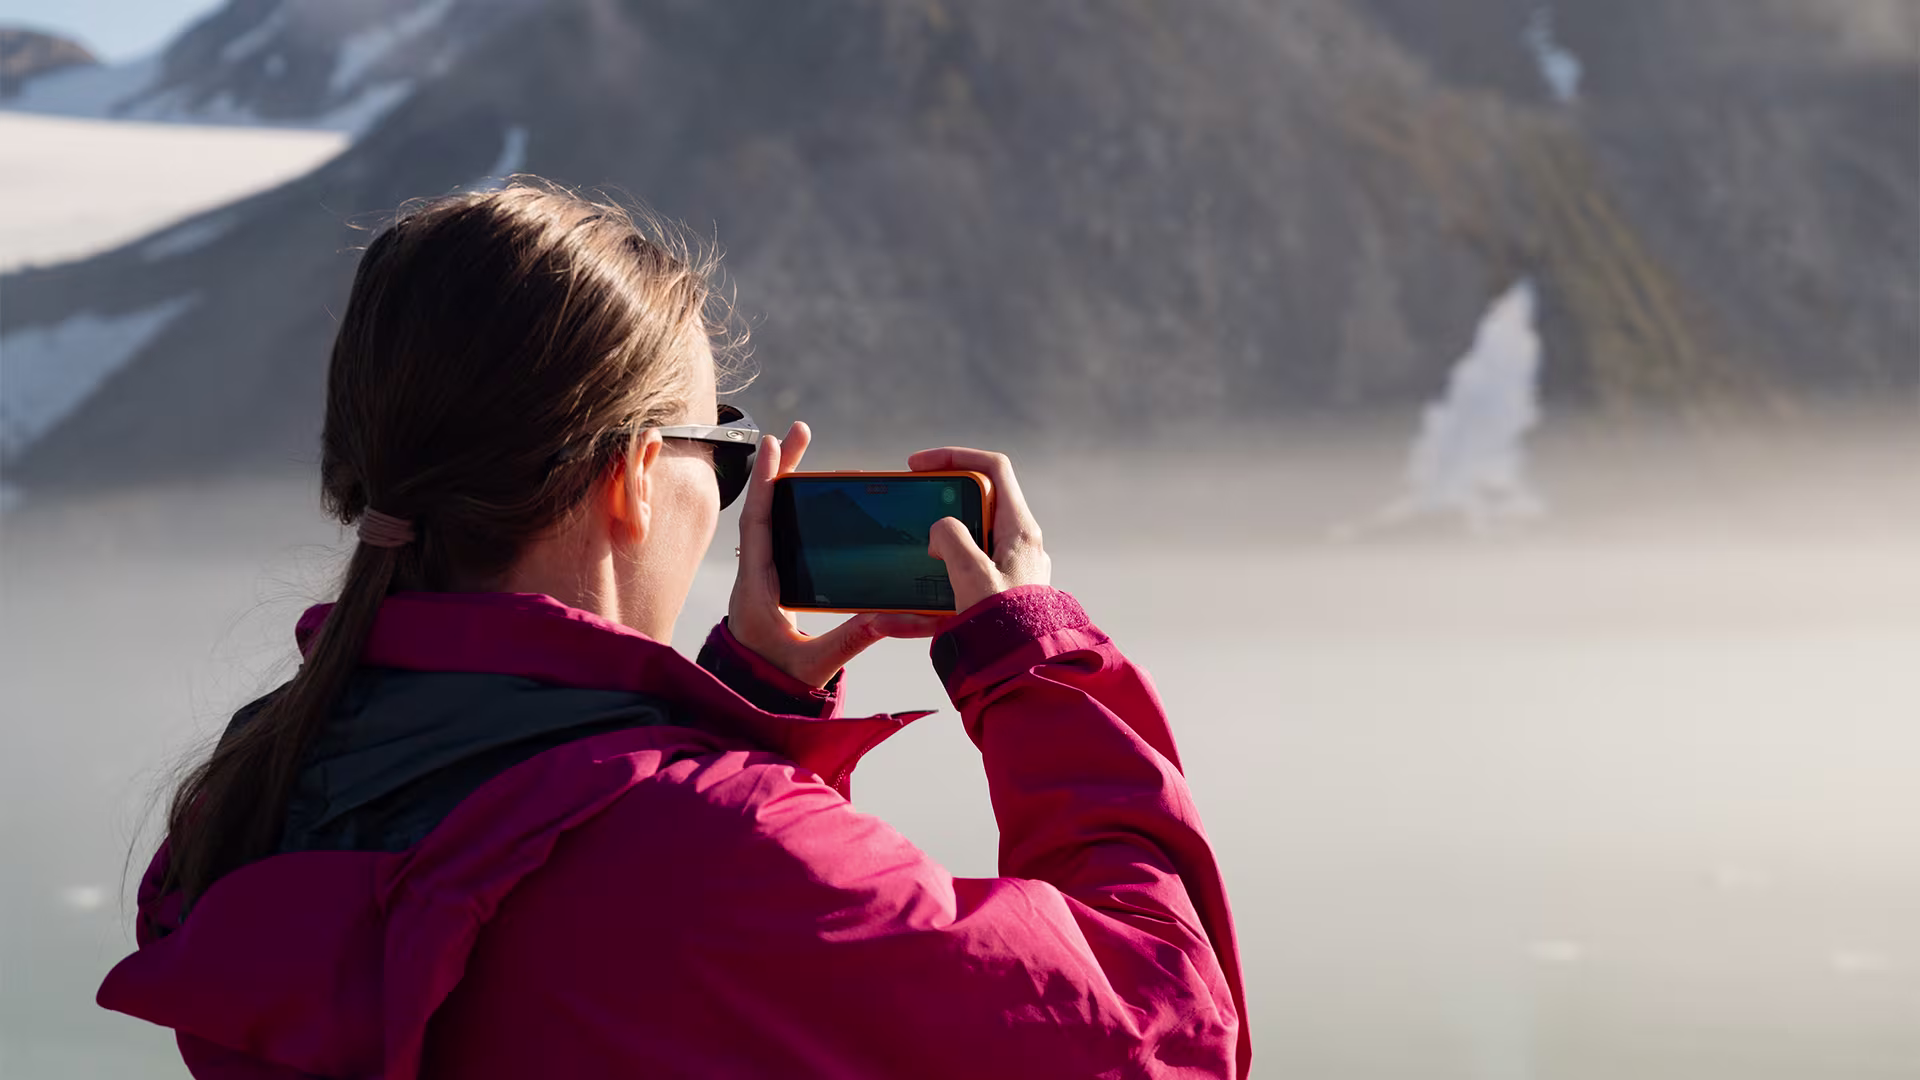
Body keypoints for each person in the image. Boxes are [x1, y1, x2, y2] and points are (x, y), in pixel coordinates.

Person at [97, 183, 1249, 1078]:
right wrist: (1035, 665)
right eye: (726, 452)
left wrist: (751, 706)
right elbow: (1166, 1035)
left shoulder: (253, 799)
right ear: (639, 477)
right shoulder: (719, 851)